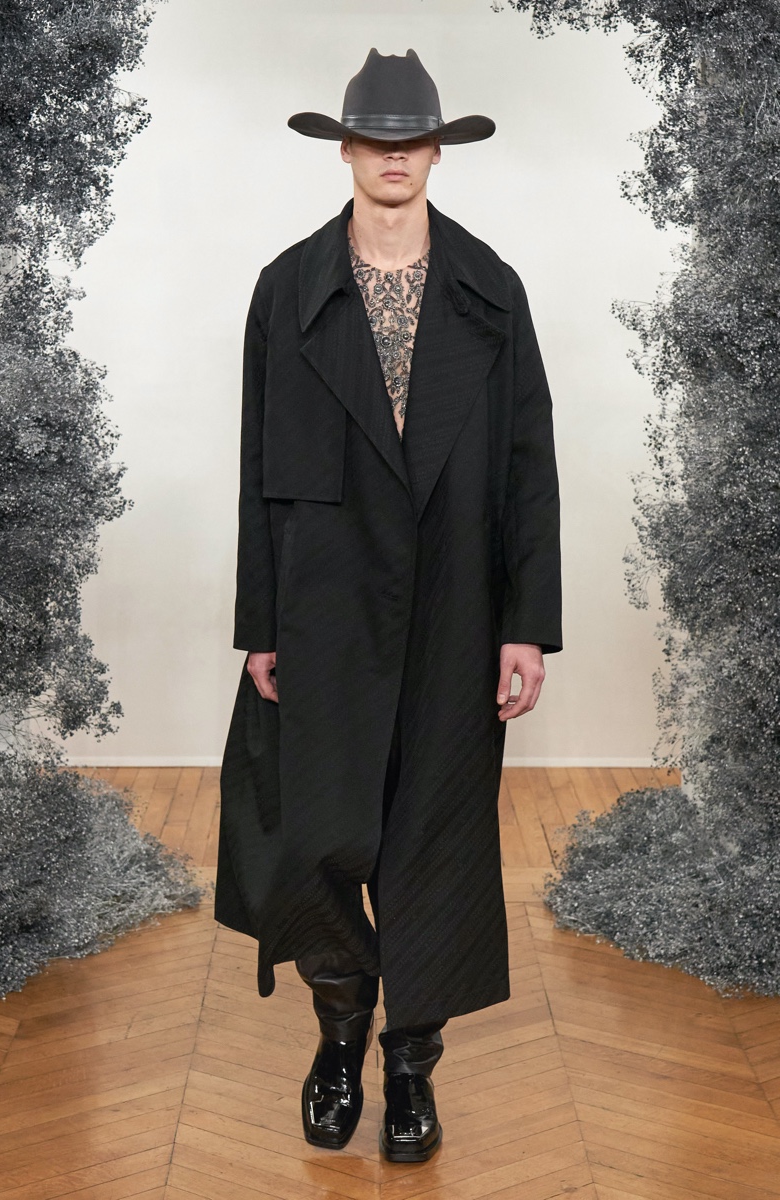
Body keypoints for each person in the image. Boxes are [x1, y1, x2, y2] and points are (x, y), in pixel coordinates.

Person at [213, 47, 562, 1163]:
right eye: (377, 138)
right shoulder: (287, 287)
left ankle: (409, 1065)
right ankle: (337, 1035)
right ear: (348, 151)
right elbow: (255, 465)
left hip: (457, 606)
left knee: (433, 843)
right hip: (323, 603)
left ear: (438, 154)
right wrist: (260, 624)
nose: (396, 156)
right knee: (315, 833)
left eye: (414, 140)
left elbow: (528, 463)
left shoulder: (489, 286)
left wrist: (526, 622)